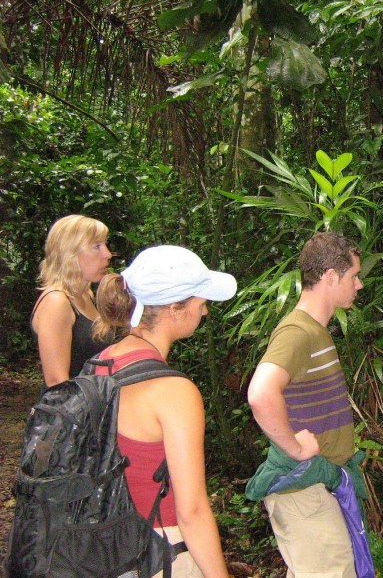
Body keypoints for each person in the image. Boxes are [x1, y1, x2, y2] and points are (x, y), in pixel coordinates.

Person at [94, 245, 236, 578]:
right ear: (175, 308)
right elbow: (193, 511)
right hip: (161, 548)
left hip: (109, 546)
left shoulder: (100, 363)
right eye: (201, 303)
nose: (205, 312)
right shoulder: (174, 392)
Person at [247, 232, 367, 578]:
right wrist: (295, 447)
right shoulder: (297, 333)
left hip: (319, 488)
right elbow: (260, 392)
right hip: (304, 491)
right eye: (353, 276)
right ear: (330, 276)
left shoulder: (317, 331)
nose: (358, 285)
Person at [31, 214, 114, 387]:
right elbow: (56, 382)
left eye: (105, 244)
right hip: (71, 411)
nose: (107, 254)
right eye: (96, 246)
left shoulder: (85, 295)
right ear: (70, 253)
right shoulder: (57, 301)